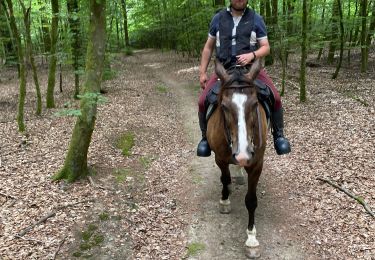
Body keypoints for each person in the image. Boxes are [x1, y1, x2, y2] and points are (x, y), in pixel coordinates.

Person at [197, 0, 291, 157]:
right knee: (202, 101)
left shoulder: (256, 19)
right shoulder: (218, 18)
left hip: (250, 70)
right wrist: (202, 72)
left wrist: (252, 55)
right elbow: (208, 47)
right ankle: (205, 139)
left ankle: (279, 137)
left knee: (276, 97)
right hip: (225, 70)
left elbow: (266, 47)